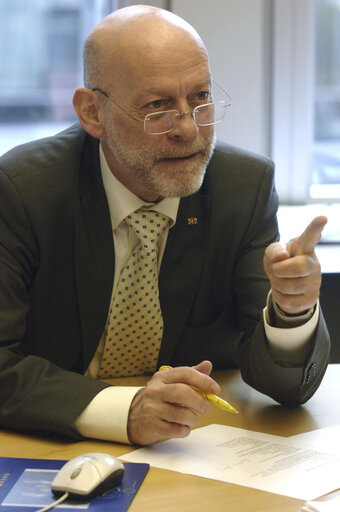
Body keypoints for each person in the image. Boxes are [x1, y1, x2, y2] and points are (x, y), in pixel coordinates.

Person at [0, 5, 330, 446]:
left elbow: (286, 388)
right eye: (158, 107)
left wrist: (292, 312)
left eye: (200, 98)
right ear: (92, 112)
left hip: (192, 453)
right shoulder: (23, 192)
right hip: (51, 445)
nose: (190, 131)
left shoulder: (242, 188)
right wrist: (124, 411)